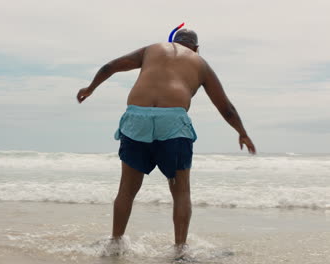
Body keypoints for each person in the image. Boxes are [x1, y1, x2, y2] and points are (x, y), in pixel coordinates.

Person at [76, 28, 256, 257]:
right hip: (172, 121)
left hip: (136, 117)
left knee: (127, 189)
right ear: (196, 48)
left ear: (173, 41)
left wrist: (90, 88)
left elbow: (110, 67)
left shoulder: (152, 49)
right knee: (180, 191)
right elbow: (226, 108)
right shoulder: (200, 63)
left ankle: (115, 243)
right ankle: (179, 251)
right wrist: (242, 132)